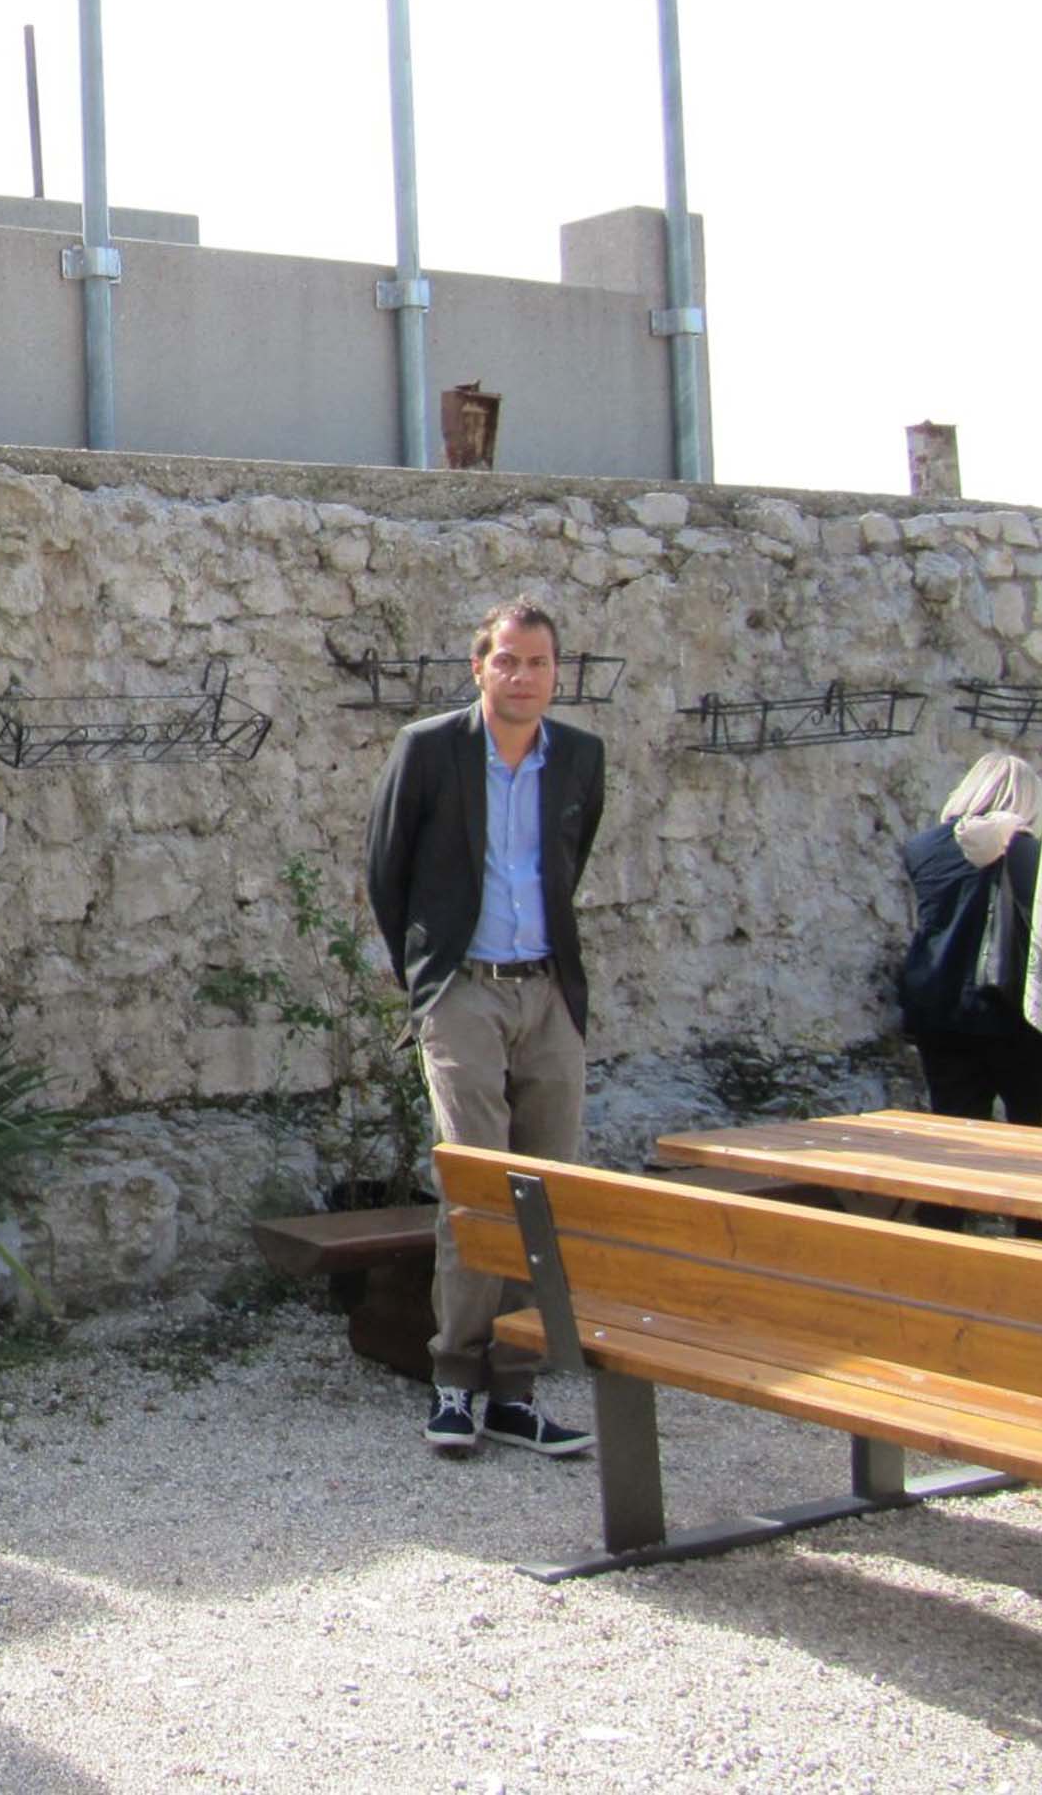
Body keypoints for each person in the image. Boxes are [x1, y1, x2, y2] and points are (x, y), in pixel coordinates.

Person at [365, 597, 606, 1461]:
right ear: (479, 668)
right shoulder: (430, 750)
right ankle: (455, 1382)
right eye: (507, 660)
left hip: (547, 994)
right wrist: (428, 982)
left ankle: (516, 1388)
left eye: (537, 663)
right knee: (479, 1186)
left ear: (555, 672)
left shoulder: (579, 757)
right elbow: (384, 871)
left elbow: (569, 865)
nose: (522, 676)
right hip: (462, 991)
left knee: (548, 1192)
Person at [899, 752, 1042, 1236]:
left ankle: (943, 1234)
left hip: (941, 1006)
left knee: (954, 1131)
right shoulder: (1037, 854)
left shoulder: (923, 847)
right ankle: (1037, 1244)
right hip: (1021, 1015)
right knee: (1034, 1136)